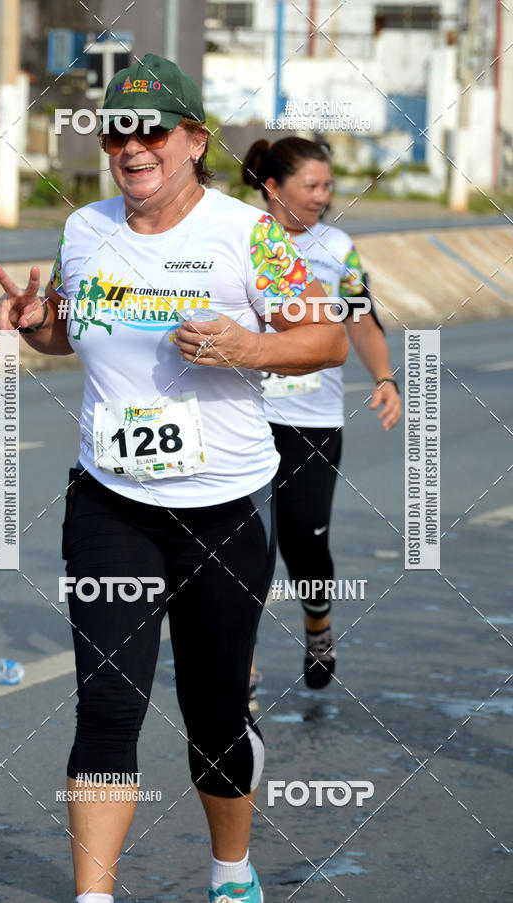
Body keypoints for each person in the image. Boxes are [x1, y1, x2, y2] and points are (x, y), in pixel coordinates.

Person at [0, 57, 348, 903]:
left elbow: (325, 339)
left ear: (194, 139)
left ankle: (230, 873)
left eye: (152, 129)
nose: (131, 145)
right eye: (117, 130)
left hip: (221, 512)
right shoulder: (84, 228)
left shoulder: (249, 234)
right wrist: (37, 325)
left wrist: (248, 346)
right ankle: (94, 896)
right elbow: (73, 339)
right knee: (108, 708)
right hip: (110, 503)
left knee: (216, 713)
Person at [242, 137, 401, 701]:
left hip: (311, 423)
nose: (322, 196)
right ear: (272, 187)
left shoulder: (336, 246)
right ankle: (245, 661)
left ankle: (317, 626)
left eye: (327, 185)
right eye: (311, 185)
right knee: (245, 544)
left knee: (303, 544)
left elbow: (360, 318)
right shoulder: (239, 236)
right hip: (243, 418)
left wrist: (384, 379)